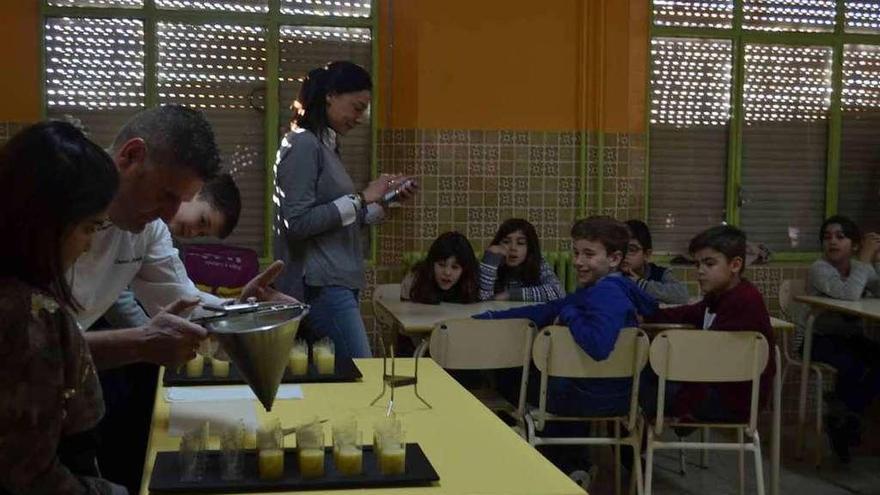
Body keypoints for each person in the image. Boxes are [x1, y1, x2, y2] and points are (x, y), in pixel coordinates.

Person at [69, 105, 292, 493]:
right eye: (166, 195)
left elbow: (182, 300)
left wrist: (245, 311)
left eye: (181, 201)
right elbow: (26, 346)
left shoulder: (148, 228)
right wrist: (140, 344)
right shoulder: (51, 202)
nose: (170, 215)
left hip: (65, 394)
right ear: (131, 156)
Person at [473, 216, 656, 484]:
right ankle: (570, 466)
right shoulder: (611, 288)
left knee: (512, 374)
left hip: (595, 396)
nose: (578, 261)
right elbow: (551, 308)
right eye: (576, 252)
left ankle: (557, 468)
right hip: (611, 393)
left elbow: (597, 344)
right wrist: (491, 318)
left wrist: (569, 314)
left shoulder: (606, 294)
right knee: (543, 375)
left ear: (615, 259)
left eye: (588, 254)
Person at [0, 121, 126, 494]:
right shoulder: (25, 317)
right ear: (45, 220)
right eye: (89, 228)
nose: (88, 246)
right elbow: (29, 474)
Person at [273, 61, 416, 359]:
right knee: (361, 370)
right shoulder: (302, 144)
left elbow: (341, 219)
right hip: (320, 284)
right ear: (331, 95)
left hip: (337, 280)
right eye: (356, 106)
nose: (361, 118)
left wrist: (386, 199)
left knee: (337, 378)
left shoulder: (326, 147)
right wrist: (362, 197)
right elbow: (297, 222)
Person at [642, 225, 775, 423]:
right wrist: (647, 316)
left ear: (735, 265)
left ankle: (638, 451)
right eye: (697, 265)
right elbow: (688, 313)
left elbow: (714, 360)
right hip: (719, 389)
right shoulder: (721, 296)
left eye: (709, 264)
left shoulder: (744, 301)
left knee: (639, 387)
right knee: (647, 374)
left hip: (733, 398)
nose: (700, 271)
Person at [102, 172, 242, 329]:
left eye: (201, 233)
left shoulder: (159, 233)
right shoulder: (108, 199)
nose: (193, 233)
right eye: (201, 221)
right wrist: (146, 335)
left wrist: (238, 308)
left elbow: (178, 294)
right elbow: (116, 300)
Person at [804, 215, 880, 462]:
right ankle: (843, 419)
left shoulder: (861, 267)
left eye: (840, 236)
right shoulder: (820, 268)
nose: (832, 242)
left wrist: (876, 261)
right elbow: (849, 294)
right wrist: (865, 261)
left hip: (852, 338)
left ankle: (842, 414)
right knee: (854, 367)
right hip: (820, 339)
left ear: (855, 245)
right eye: (827, 237)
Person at [478, 218, 565, 302]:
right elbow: (483, 298)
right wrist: (491, 260)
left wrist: (508, 295)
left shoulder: (539, 263)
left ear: (529, 248)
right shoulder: (492, 264)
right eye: (506, 242)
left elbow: (558, 292)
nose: (513, 248)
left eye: (520, 243)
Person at [621, 219, 689, 305]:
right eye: (621, 248)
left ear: (647, 254)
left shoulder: (658, 273)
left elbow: (682, 295)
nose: (624, 255)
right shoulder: (612, 272)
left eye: (632, 250)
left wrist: (641, 284)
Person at [401, 231, 481, 304]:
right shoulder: (415, 281)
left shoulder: (474, 282)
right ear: (431, 264)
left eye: (455, 267)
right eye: (441, 265)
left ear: (465, 270)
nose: (447, 272)